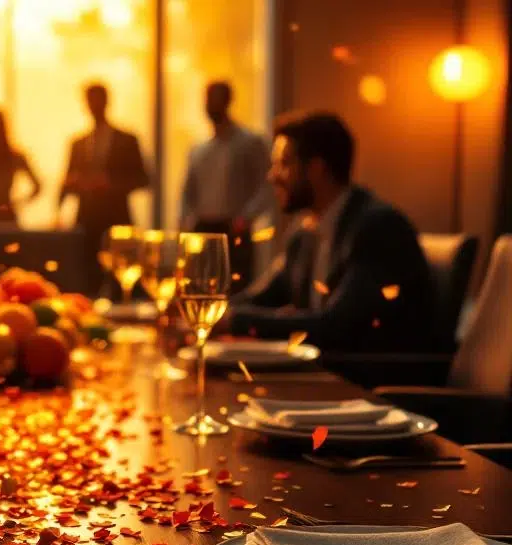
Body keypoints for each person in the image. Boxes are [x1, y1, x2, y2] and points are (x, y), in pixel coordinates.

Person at [227, 111, 438, 352]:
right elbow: (262, 298)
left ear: (316, 168)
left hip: (365, 383)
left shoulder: (377, 228)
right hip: (318, 377)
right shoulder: (304, 233)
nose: (272, 176)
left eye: (283, 164)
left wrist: (233, 322)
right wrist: (204, 315)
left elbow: (338, 326)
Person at [58, 82, 150, 296]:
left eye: (97, 100)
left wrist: (110, 184)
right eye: (90, 101)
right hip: (87, 222)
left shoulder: (127, 140)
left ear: (107, 102)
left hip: (117, 221)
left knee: (122, 283)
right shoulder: (77, 143)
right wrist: (71, 187)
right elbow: (66, 181)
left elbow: (143, 178)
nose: (93, 105)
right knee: (87, 281)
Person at [180, 81, 273, 289]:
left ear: (227, 101)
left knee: (235, 291)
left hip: (234, 231)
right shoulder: (199, 149)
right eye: (207, 99)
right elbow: (187, 193)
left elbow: (267, 185)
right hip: (202, 232)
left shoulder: (250, 143)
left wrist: (246, 217)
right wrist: (185, 222)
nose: (210, 105)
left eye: (215, 99)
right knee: (200, 289)